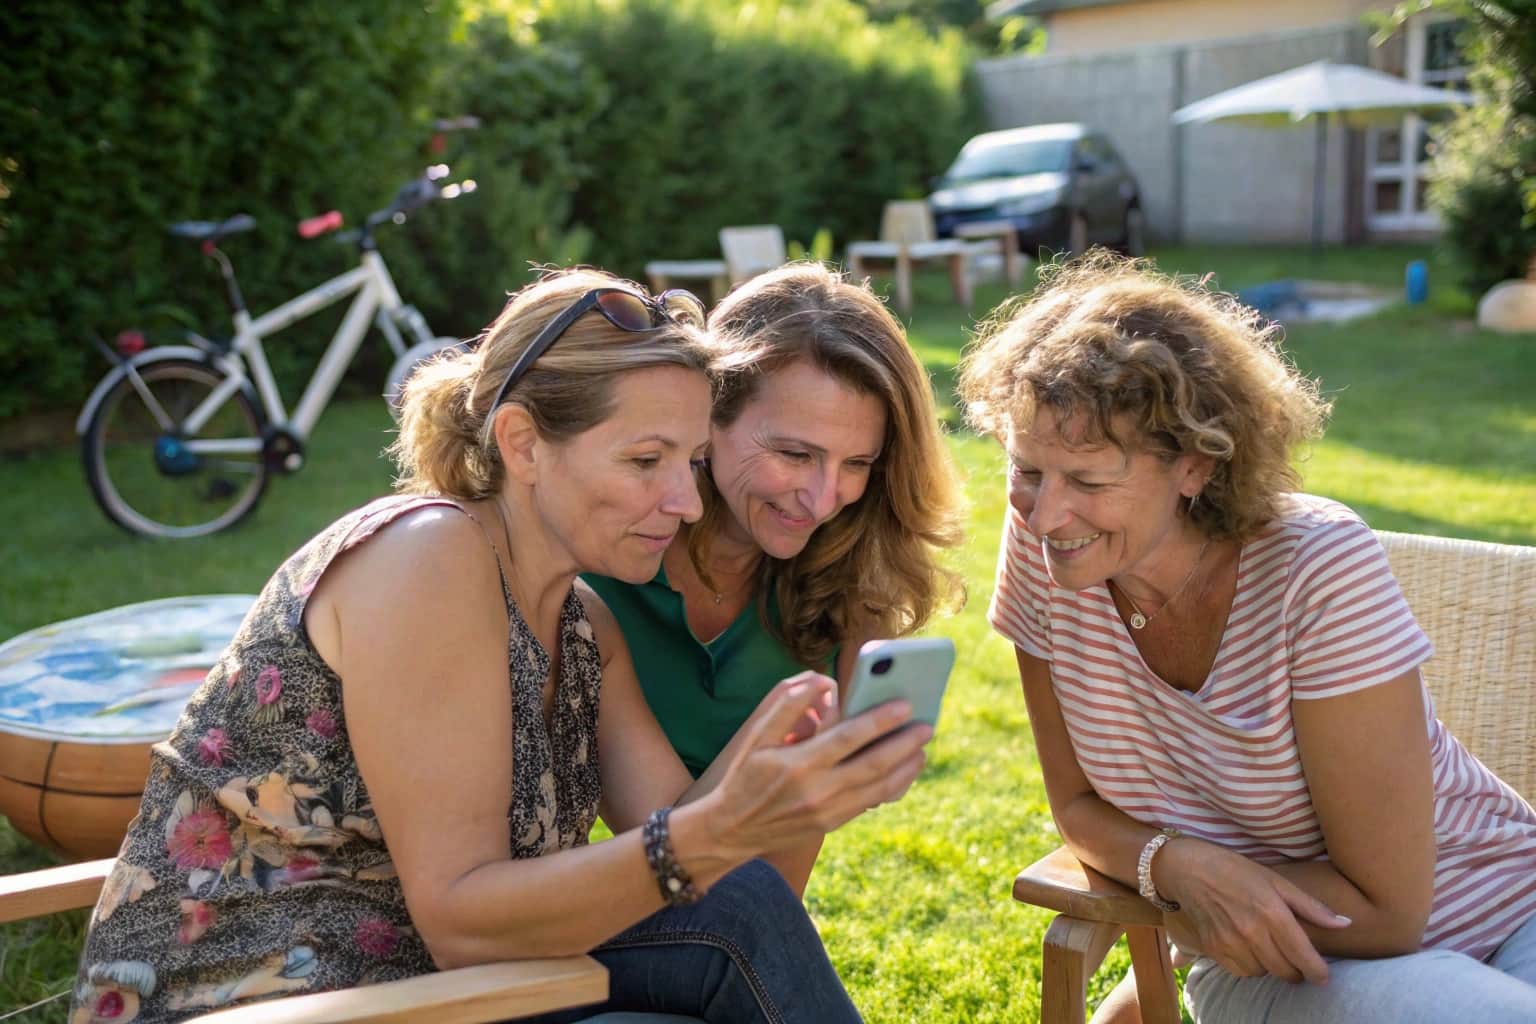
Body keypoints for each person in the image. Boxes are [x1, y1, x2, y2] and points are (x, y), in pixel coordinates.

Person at [69, 268, 935, 1024]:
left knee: (736, 911)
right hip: (272, 1000)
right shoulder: (430, 558)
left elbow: (695, 856)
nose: (688, 502)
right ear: (523, 443)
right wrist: (721, 827)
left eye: (693, 461)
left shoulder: (584, 622)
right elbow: (463, 917)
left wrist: (797, 745)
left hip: (453, 991)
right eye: (646, 461)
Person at [957, 254, 1536, 1023]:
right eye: (1027, 469)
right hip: (1281, 957)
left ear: (1194, 466)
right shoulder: (1046, 553)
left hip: (1509, 906)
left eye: (1091, 482)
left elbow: (1391, 908)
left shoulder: (1316, 569)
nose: (1046, 513)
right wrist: (1180, 866)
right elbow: (1078, 806)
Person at [584, 262, 966, 894]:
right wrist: (783, 756)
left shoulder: (843, 579)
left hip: (738, 921)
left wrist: (840, 772)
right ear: (708, 418)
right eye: (794, 454)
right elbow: (660, 862)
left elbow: (763, 903)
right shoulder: (606, 567)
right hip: (590, 908)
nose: (821, 501)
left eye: (857, 463)